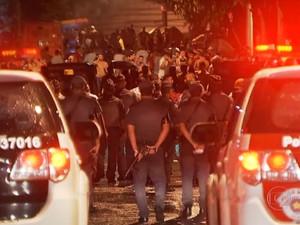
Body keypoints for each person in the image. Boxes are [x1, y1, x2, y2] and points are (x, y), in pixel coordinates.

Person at [125, 79, 170, 224]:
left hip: (140, 150)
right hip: (156, 150)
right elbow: (167, 128)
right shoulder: (161, 107)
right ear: (152, 90)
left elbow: (130, 130)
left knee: (139, 184)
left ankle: (143, 214)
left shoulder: (133, 108)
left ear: (139, 90)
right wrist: (157, 145)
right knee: (160, 181)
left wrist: (135, 150)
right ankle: (159, 207)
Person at [61, 75, 103, 213]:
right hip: (87, 142)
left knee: (69, 171)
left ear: (71, 87)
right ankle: (89, 203)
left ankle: (71, 202)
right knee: (87, 172)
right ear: (85, 86)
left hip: (70, 141)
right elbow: (97, 122)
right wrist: (98, 142)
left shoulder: (63, 102)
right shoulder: (92, 101)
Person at [177, 82, 216, 220]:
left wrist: (192, 143)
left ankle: (187, 206)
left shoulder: (183, 106)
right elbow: (213, 129)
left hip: (187, 147)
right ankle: (203, 208)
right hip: (204, 148)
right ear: (201, 92)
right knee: (203, 178)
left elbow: (181, 126)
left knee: (187, 176)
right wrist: (202, 145)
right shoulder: (208, 107)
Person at [98, 79, 127, 186]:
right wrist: (123, 130)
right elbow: (122, 118)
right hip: (112, 130)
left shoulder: (115, 102)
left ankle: (101, 174)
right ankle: (109, 176)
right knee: (111, 154)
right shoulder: (117, 102)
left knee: (103, 153)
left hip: (106, 130)